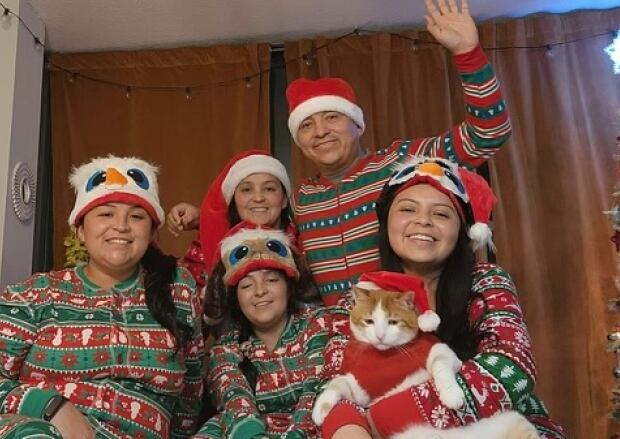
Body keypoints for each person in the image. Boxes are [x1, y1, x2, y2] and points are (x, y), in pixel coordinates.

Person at [0, 155, 204, 438]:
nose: (121, 225)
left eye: (137, 216)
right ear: (80, 230)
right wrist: (50, 407)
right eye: (106, 213)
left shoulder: (178, 290)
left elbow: (189, 399)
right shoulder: (35, 293)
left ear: (153, 232)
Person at [319, 156, 564, 439]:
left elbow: (511, 366)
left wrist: (378, 420)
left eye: (441, 214)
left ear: (461, 230)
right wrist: (349, 428)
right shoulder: (362, 296)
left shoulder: (487, 280)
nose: (423, 221)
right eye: (408, 209)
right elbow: (331, 383)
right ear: (386, 223)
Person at [287, 0, 512, 306]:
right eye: (307, 125)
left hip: (415, 327)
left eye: (332, 117)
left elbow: (487, 134)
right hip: (343, 339)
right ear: (299, 142)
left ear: (358, 126)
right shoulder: (302, 199)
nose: (320, 131)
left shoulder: (401, 161)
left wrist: (468, 55)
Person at [193, 223, 345, 438]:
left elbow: (318, 388)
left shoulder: (318, 323)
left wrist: (297, 434)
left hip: (311, 425)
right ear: (236, 299)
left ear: (289, 286)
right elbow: (235, 402)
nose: (260, 291)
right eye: (246, 286)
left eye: (272, 280)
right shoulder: (225, 348)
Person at [166, 149, 301, 319]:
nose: (258, 197)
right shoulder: (213, 249)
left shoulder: (304, 243)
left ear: (283, 200)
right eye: (246, 190)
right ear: (233, 200)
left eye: (269, 189)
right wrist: (206, 223)